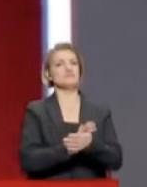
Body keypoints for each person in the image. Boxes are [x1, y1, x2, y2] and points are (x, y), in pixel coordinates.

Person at [20, 43, 122, 179]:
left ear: (80, 71)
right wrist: (67, 148)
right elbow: (28, 160)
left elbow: (115, 158)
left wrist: (91, 145)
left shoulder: (99, 112)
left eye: (73, 63)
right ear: (48, 74)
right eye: (59, 64)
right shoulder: (37, 111)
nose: (68, 68)